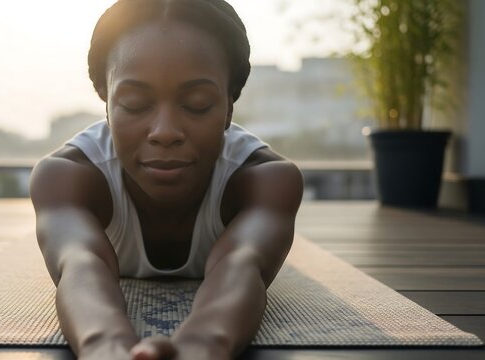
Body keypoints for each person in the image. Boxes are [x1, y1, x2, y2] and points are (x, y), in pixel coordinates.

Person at [29, 0, 303, 359]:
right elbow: (81, 262)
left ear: (228, 106)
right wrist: (104, 347)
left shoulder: (265, 180)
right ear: (107, 103)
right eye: (135, 103)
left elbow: (241, 263)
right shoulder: (66, 176)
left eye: (198, 103)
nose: (165, 132)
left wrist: (201, 346)